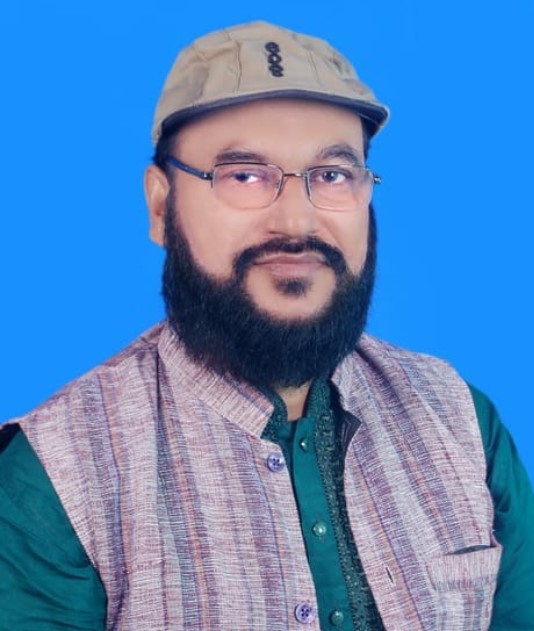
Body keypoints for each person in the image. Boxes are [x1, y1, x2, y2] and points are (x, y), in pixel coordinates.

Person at [0, 20, 532, 631]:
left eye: (332, 175)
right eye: (245, 175)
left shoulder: (460, 420)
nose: (296, 223)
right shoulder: (55, 476)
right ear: (161, 205)